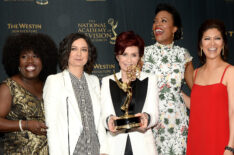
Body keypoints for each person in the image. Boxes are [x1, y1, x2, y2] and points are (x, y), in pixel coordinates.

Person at [43, 33, 108, 155]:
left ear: (88, 55)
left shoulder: (94, 81)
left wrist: (104, 150)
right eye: (74, 49)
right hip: (72, 150)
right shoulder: (54, 81)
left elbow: (99, 121)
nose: (79, 54)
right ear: (66, 52)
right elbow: (51, 126)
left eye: (84, 50)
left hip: (95, 149)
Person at [142, 3, 194, 155]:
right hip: (151, 123)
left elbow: (197, 90)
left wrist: (178, 94)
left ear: (175, 28)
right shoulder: (143, 54)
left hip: (178, 123)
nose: (157, 24)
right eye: (155, 21)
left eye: (163, 21)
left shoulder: (183, 55)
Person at [101, 31, 159, 155]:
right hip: (114, 147)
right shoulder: (107, 81)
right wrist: (109, 120)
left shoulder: (150, 79)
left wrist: (146, 118)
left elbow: (154, 113)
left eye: (133, 55)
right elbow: (104, 113)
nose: (129, 60)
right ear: (117, 56)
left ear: (139, 57)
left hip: (143, 147)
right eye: (124, 54)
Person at [0, 33, 58, 154]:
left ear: (44, 60)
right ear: (17, 61)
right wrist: (25, 124)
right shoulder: (9, 87)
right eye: (24, 57)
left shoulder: (48, 86)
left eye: (36, 56)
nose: (30, 61)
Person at [186, 19, 234, 155]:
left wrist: (230, 147)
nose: (212, 43)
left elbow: (233, 112)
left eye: (217, 38)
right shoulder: (196, 73)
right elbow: (198, 106)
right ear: (201, 44)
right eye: (207, 39)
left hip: (221, 142)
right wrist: (175, 93)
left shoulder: (230, 72)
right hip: (197, 141)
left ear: (223, 43)